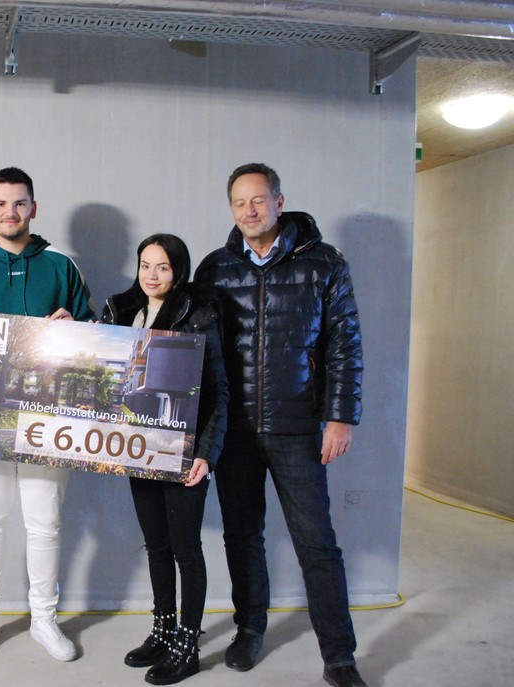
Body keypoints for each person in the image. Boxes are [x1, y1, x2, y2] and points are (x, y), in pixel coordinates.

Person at [194, 163, 366, 687]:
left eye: (259, 200)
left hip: (298, 427)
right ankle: (249, 630)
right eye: (240, 202)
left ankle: (339, 657)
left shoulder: (324, 262)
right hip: (236, 431)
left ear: (279, 201)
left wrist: (340, 416)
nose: (250, 210)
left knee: (317, 544)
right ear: (231, 208)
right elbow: (190, 342)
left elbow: (344, 342)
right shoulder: (215, 268)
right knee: (243, 536)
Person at [0, 166, 94, 664]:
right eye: (2, 203)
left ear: (33, 208)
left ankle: (44, 620)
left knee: (45, 520)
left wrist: (75, 327)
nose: (11, 212)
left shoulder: (62, 266)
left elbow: (94, 340)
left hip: (49, 416)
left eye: (20, 203)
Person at [101, 234, 228, 685]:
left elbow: (219, 391)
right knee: (156, 545)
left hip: (184, 451)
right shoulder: (121, 312)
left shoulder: (199, 314)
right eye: (145, 265)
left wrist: (206, 453)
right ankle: (163, 630)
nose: (152, 275)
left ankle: (187, 645)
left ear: (179, 271)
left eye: (163, 267)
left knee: (186, 550)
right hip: (138, 447)